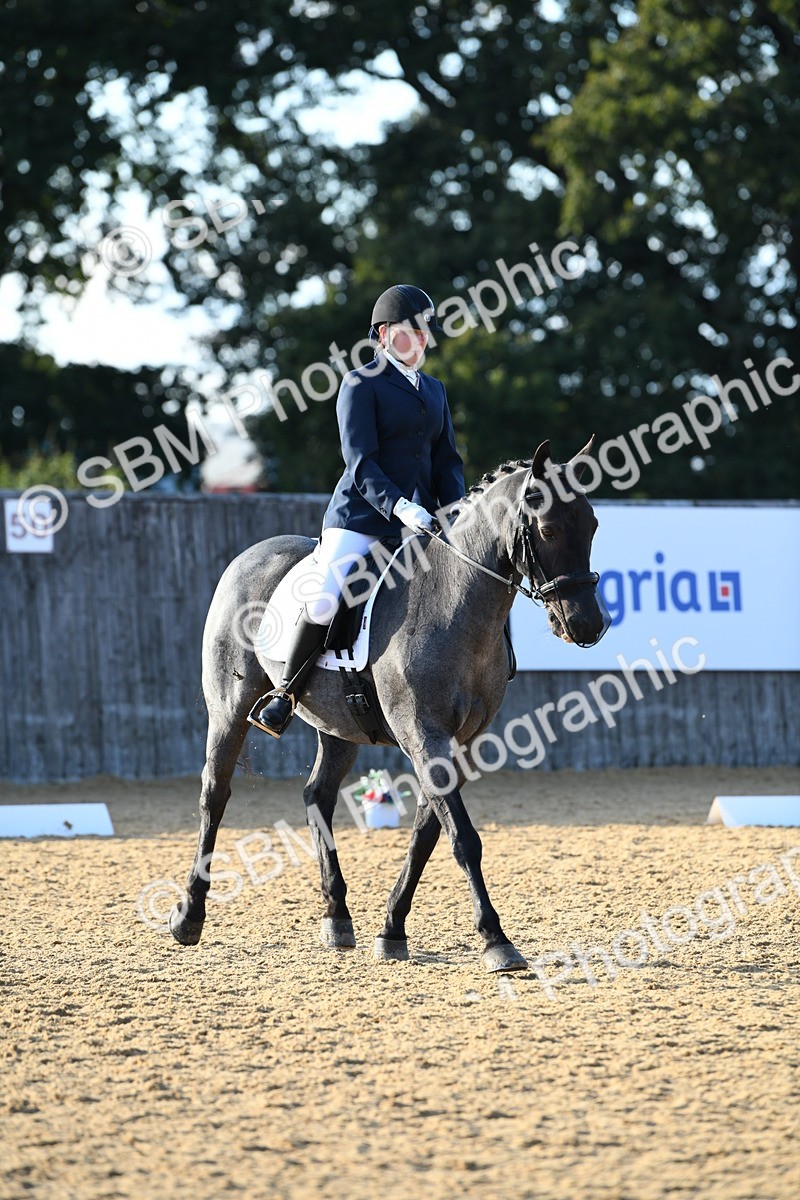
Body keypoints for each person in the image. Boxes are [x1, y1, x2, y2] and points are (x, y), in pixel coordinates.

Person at [248, 283, 466, 738]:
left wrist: (454, 513)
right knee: (328, 592)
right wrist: (400, 506)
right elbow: (361, 461)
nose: (424, 340)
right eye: (415, 330)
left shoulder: (435, 390)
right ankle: (285, 693)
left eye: (427, 332)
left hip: (421, 521)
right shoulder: (360, 384)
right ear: (385, 334)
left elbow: (447, 460)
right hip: (362, 517)